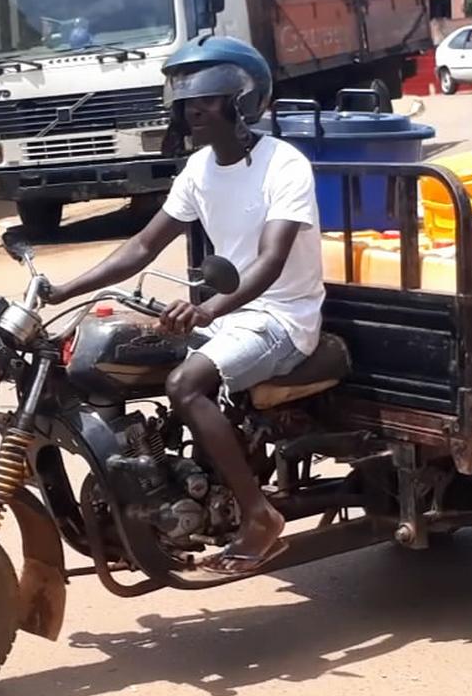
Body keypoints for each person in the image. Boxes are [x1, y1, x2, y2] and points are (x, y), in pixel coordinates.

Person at [45, 36, 325, 576]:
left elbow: (268, 262)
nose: (192, 109)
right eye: (185, 100)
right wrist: (64, 289)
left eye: (207, 99)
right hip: (233, 313)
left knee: (186, 384)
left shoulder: (283, 165)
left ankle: (259, 516)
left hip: (283, 317)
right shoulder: (199, 169)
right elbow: (143, 247)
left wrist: (208, 309)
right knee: (115, 360)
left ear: (241, 102)